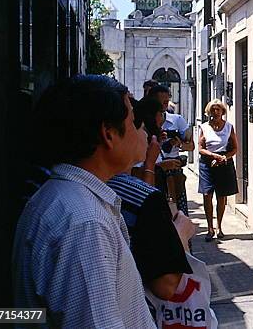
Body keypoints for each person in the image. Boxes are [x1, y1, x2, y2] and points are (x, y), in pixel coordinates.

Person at [13, 75, 156, 328]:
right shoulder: (85, 223)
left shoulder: (65, 199)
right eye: (133, 122)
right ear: (108, 134)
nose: (140, 131)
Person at [107, 99, 195, 301]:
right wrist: (179, 235)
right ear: (109, 134)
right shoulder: (142, 197)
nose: (146, 135)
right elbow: (166, 285)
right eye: (135, 125)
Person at [148, 85, 194, 216]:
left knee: (178, 210)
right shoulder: (145, 123)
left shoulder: (177, 120)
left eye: (166, 101)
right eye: (161, 102)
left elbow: (191, 146)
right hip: (153, 170)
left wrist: (178, 144)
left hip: (173, 170)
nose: (164, 105)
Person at [198, 99, 238, 242]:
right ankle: (210, 228)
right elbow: (201, 148)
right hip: (207, 164)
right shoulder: (204, 127)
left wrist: (222, 157)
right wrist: (213, 155)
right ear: (209, 112)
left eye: (218, 110)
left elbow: (235, 148)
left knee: (221, 196)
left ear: (222, 112)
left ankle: (219, 226)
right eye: (213, 110)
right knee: (207, 194)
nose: (215, 112)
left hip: (224, 163)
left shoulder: (229, 127)